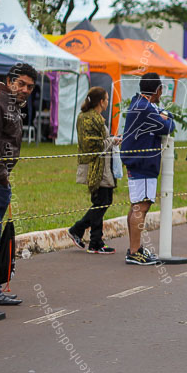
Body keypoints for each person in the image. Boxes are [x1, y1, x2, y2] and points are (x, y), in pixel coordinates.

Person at [0, 63, 38, 305]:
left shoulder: (11, 104)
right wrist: (2, 177)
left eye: (30, 87)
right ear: (9, 81)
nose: (25, 89)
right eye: (21, 84)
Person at [120, 73, 175, 265]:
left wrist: (165, 117)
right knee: (141, 206)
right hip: (141, 161)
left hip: (141, 161)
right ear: (158, 90)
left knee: (138, 204)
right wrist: (166, 116)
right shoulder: (144, 108)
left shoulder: (141, 104)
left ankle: (135, 249)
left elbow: (167, 121)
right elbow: (168, 125)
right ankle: (134, 251)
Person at [68, 87, 120, 254]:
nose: (107, 102)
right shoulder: (88, 119)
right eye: (106, 99)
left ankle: (94, 240)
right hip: (96, 167)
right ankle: (86, 235)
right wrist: (111, 141)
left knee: (103, 202)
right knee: (101, 202)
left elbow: (100, 141)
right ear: (101, 102)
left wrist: (111, 141)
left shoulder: (94, 118)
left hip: (103, 166)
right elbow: (93, 145)